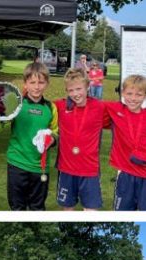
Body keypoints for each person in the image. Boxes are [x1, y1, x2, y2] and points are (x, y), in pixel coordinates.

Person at [104, 74, 146, 210]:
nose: (133, 98)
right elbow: (90, 105)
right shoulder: (115, 110)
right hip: (125, 174)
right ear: (122, 93)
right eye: (129, 93)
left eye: (138, 95)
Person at [7, 62, 58, 210]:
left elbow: (55, 130)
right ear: (25, 84)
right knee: (17, 207)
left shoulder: (50, 107)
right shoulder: (16, 104)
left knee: (37, 208)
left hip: (40, 168)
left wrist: (52, 139)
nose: (37, 86)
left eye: (41, 82)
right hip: (17, 163)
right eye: (32, 82)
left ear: (47, 83)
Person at [54, 69, 107, 211]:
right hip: (66, 169)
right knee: (67, 209)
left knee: (91, 211)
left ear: (87, 86)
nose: (76, 94)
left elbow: (126, 115)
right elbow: (39, 107)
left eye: (79, 89)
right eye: (71, 90)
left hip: (89, 170)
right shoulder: (60, 106)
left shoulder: (100, 107)